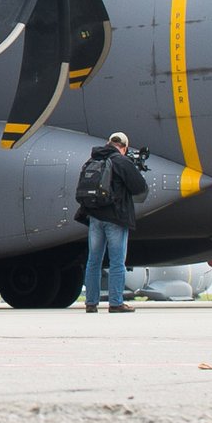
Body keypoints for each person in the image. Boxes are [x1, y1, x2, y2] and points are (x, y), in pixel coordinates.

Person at [76, 131, 149, 314]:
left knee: (94, 261)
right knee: (117, 261)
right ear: (123, 147)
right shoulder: (121, 161)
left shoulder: (92, 160)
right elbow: (140, 188)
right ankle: (115, 303)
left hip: (95, 217)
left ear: (108, 143)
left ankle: (91, 303)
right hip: (116, 217)